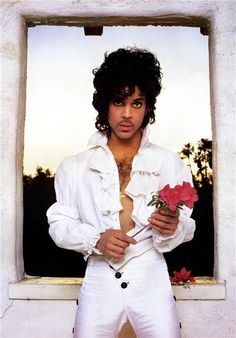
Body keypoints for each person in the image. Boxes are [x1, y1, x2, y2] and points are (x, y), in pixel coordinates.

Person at [47, 47, 196, 338]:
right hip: (99, 278)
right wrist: (96, 238)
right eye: (119, 102)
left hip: (151, 276)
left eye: (137, 103)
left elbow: (188, 225)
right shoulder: (75, 167)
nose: (127, 114)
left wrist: (173, 227)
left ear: (148, 107)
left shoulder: (169, 163)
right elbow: (59, 225)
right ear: (105, 105)